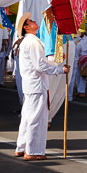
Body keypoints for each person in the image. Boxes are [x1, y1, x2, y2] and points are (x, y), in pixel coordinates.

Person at [15, 12, 70, 160]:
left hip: (32, 84)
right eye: (31, 21)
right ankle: (32, 151)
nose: (34, 21)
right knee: (36, 118)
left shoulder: (30, 41)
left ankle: (22, 146)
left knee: (28, 117)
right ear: (27, 27)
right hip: (36, 84)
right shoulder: (32, 42)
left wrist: (57, 62)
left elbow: (41, 62)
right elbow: (40, 65)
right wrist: (59, 69)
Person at [67, 31, 87, 99]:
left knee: (82, 76)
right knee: (75, 76)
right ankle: (76, 91)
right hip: (77, 59)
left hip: (84, 59)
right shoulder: (76, 41)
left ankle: (81, 91)